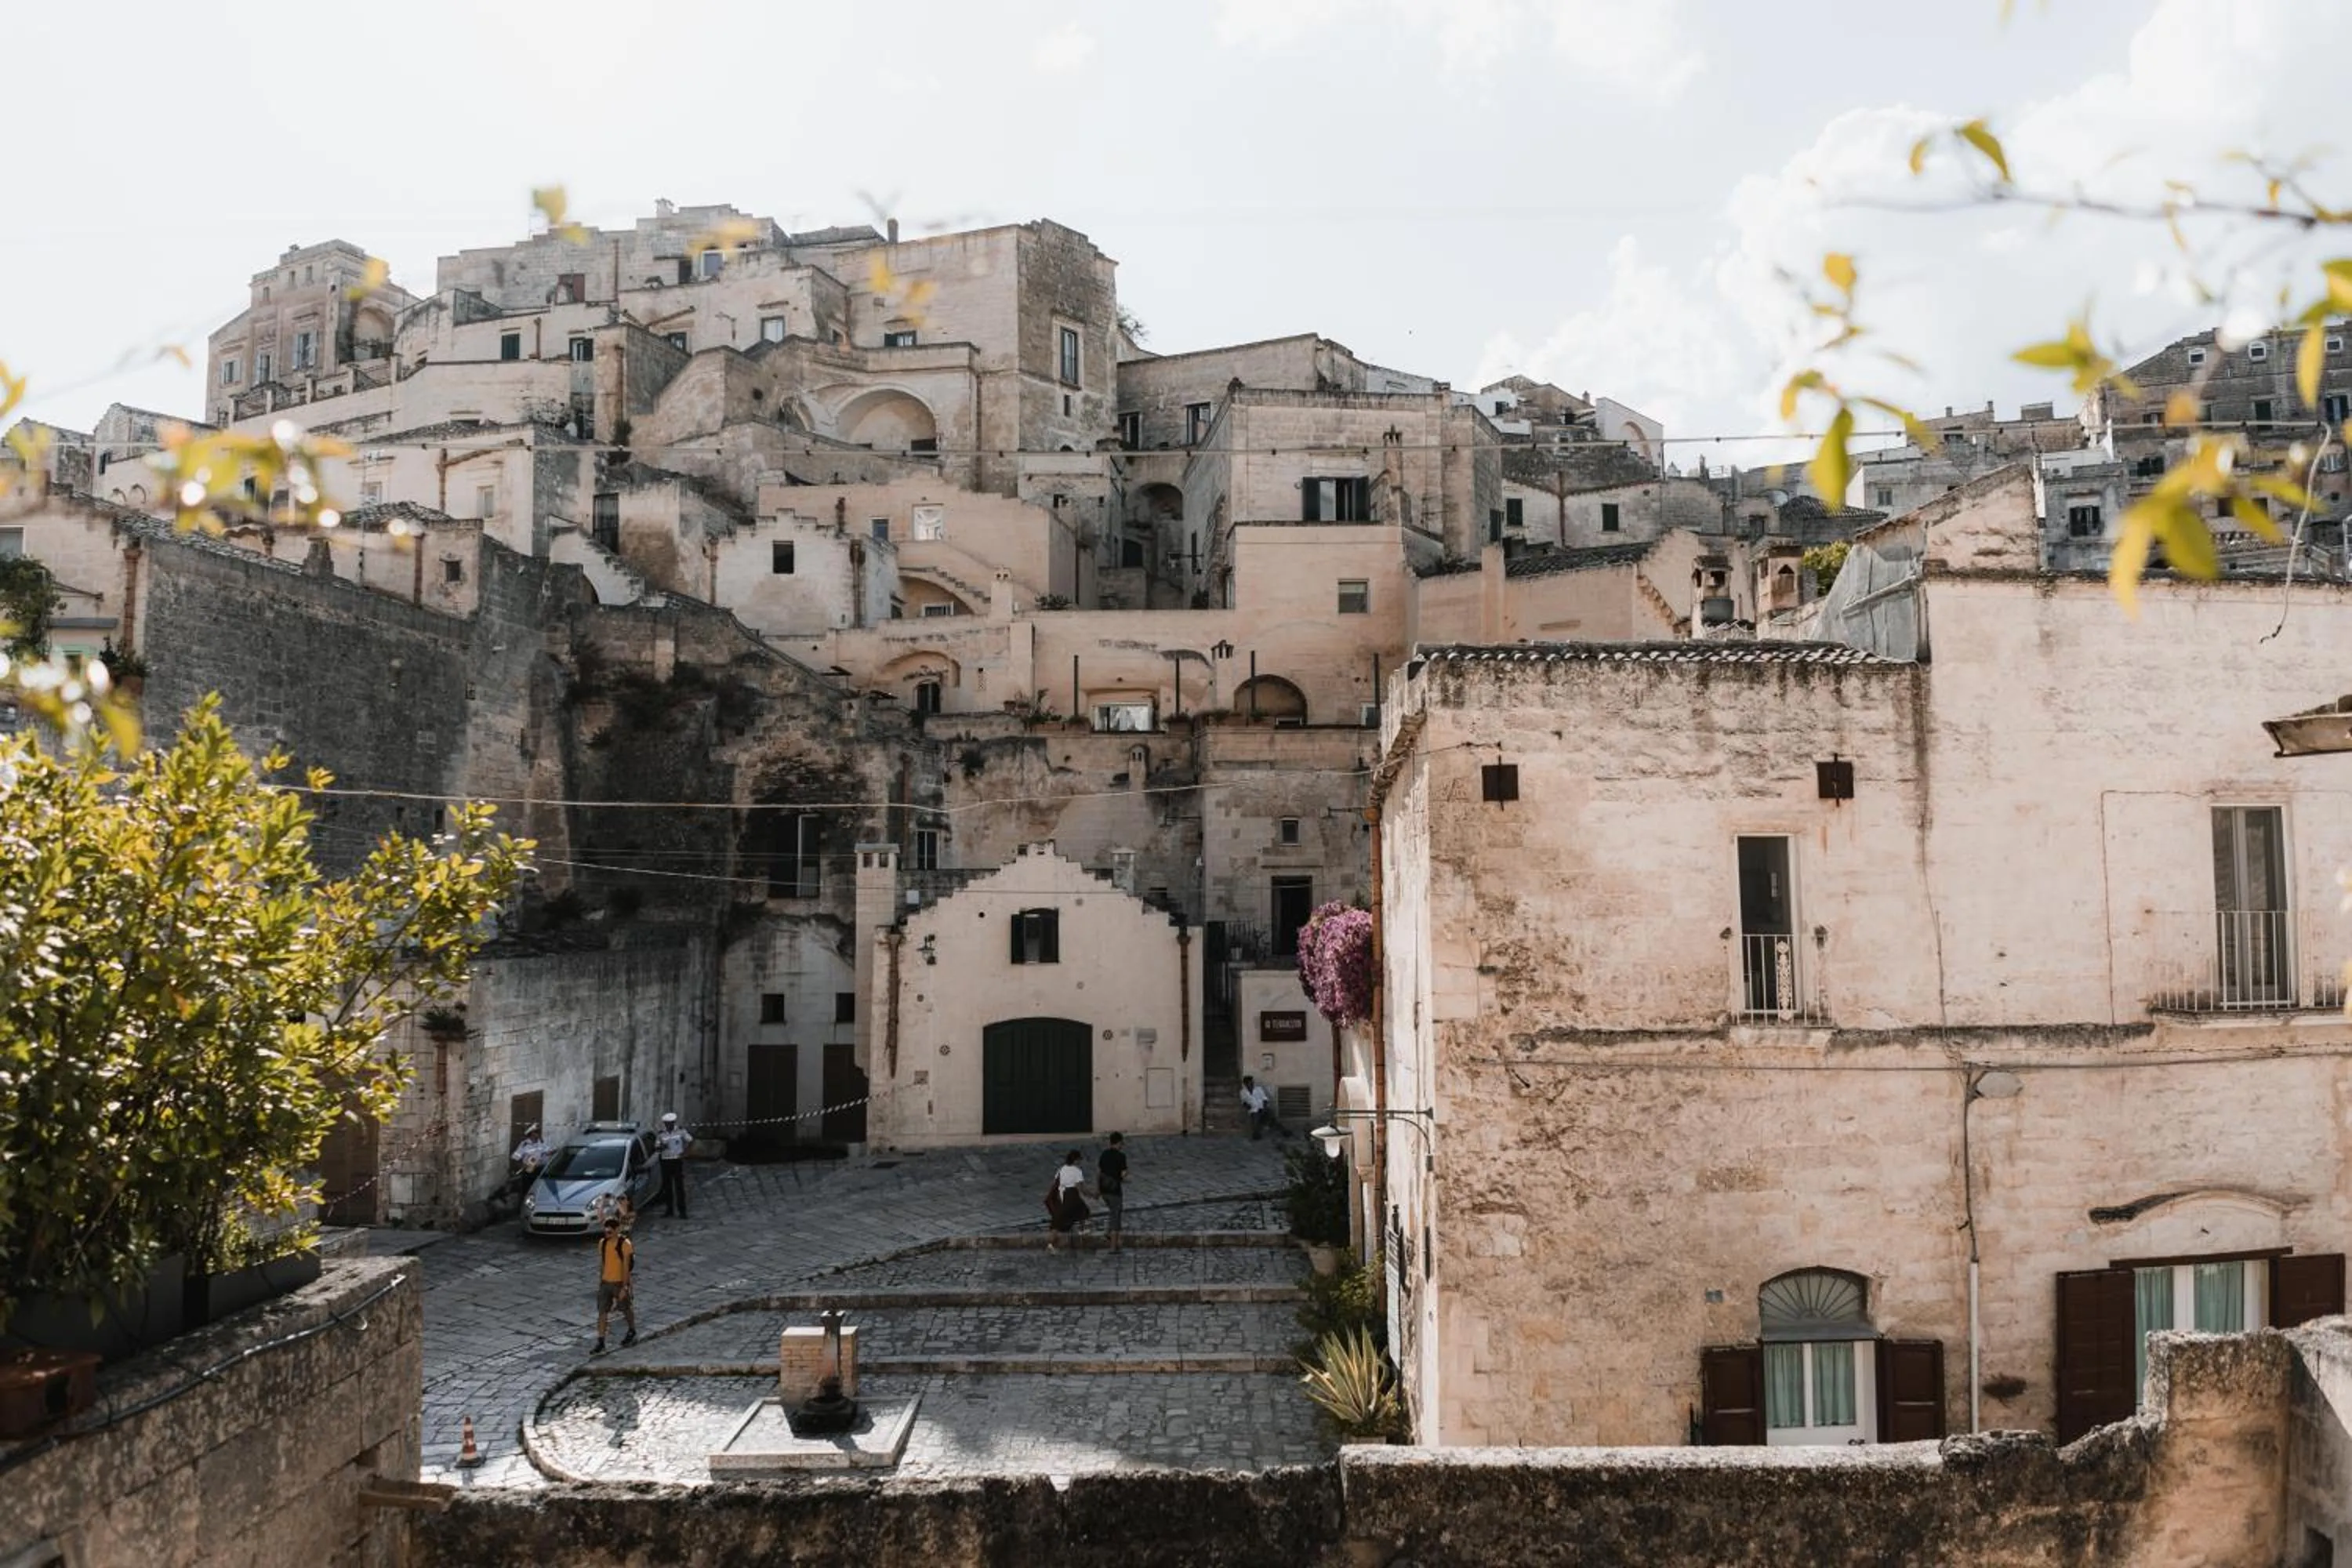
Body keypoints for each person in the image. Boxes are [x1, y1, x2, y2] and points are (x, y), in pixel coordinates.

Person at [591, 1215, 637, 1355]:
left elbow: (626, 1267)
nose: (607, 1234)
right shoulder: (603, 1243)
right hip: (606, 1283)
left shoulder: (625, 1244)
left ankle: (632, 1330)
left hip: (619, 1282)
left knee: (626, 1309)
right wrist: (601, 1281)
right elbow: (603, 1263)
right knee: (602, 1312)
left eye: (610, 1231)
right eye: (605, 1231)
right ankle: (601, 1341)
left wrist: (625, 1287)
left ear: (617, 1230)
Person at [1046, 1149, 1089, 1251]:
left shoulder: (1061, 1170)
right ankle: (1082, 1231)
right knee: (1084, 1211)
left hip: (1061, 1199)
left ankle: (1050, 1245)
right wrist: (1091, 1194)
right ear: (1075, 1160)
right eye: (1079, 1160)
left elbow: (1056, 1183)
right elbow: (1080, 1188)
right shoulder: (1077, 1171)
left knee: (1056, 1224)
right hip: (1071, 1196)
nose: (1080, 1162)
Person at [655, 1112, 691, 1218]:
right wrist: (662, 1147)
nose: (668, 1125)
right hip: (665, 1161)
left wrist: (686, 1152)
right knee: (667, 1187)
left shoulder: (681, 1131)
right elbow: (657, 1147)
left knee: (679, 1187)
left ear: (674, 1123)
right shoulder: (661, 1134)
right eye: (666, 1123)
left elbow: (690, 1140)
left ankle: (682, 1211)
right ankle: (669, 1210)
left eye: (670, 1123)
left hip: (677, 1161)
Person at [1096, 1132, 1128, 1252]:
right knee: (1116, 1216)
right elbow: (1123, 1174)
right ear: (1119, 1143)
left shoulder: (1104, 1154)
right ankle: (1113, 1246)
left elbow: (1099, 1172)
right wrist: (1126, 1178)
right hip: (1115, 1190)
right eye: (1122, 1143)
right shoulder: (1121, 1156)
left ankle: (1108, 1232)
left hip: (1104, 1190)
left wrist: (1098, 1189)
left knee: (1112, 1212)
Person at [1241, 1076, 1292, 1141]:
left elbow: (1265, 1099)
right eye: (1249, 1083)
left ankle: (1284, 1131)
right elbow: (1244, 1102)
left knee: (1272, 1116)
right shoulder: (1243, 1092)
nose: (1252, 1085)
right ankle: (1256, 1134)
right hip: (1254, 1110)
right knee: (1255, 1121)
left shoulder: (1258, 1089)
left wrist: (1264, 1108)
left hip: (1263, 1108)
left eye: (1252, 1083)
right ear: (1245, 1084)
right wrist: (1247, 1106)